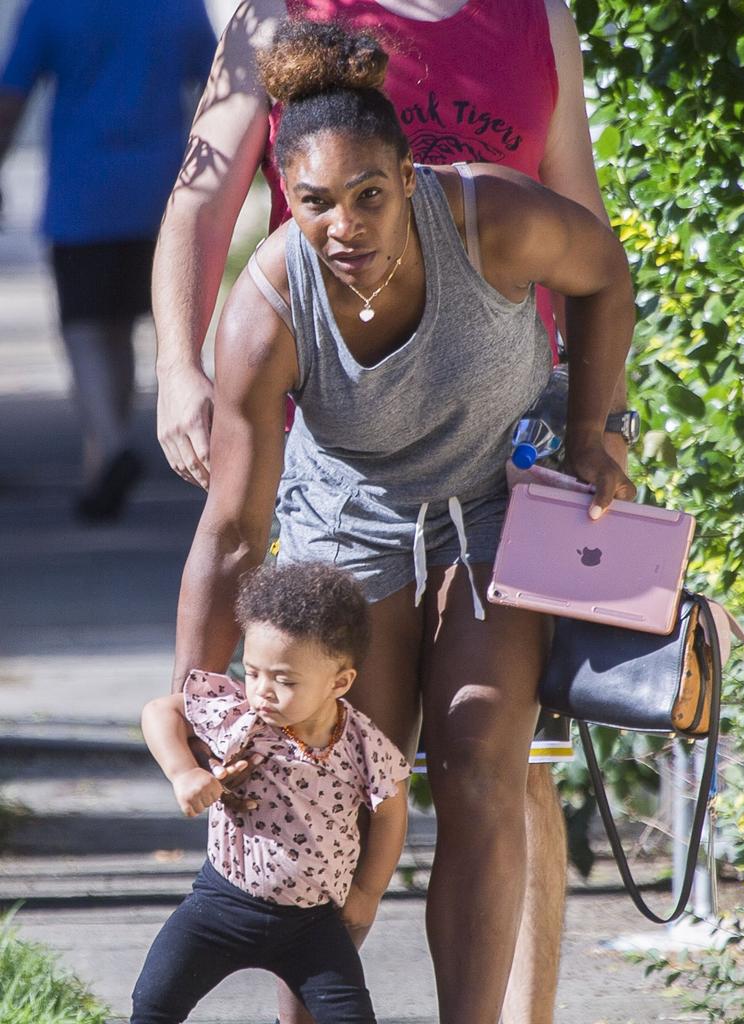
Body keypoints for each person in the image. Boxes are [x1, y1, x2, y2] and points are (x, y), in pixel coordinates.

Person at [153, 5, 637, 1021]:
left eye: (371, 195)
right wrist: (199, 709)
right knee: (327, 795)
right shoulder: (269, 304)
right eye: (319, 203)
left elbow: (599, 263)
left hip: (498, 489)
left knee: (482, 761)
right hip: (348, 515)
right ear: (290, 197)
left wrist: (593, 430)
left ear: (408, 179)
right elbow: (232, 532)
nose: (348, 228)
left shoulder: (490, 208)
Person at [135, 560, 410, 1024]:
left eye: (284, 680)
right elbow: (161, 712)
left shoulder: (363, 742)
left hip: (312, 924)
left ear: (339, 683)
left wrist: (368, 891)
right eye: (253, 671)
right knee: (154, 1001)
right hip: (220, 904)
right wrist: (184, 772)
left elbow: (391, 811)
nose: (262, 691)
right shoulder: (238, 713)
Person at [0, 0, 216, 520]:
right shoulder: (173, 6)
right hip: (163, 190)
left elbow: (12, 96)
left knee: (86, 328)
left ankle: (111, 442)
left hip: (82, 190)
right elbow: (217, 80)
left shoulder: (51, 8)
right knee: (118, 327)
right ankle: (102, 461)